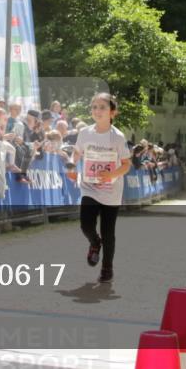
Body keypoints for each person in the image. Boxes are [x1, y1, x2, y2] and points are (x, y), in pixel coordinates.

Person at [65, 93, 132, 283]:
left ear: (112, 112)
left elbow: (126, 164)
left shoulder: (118, 137)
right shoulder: (85, 132)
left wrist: (110, 175)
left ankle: (107, 268)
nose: (97, 110)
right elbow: (76, 153)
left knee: (108, 232)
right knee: (86, 224)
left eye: (102, 107)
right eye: (94, 107)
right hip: (89, 187)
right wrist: (71, 166)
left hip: (111, 191)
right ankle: (95, 243)